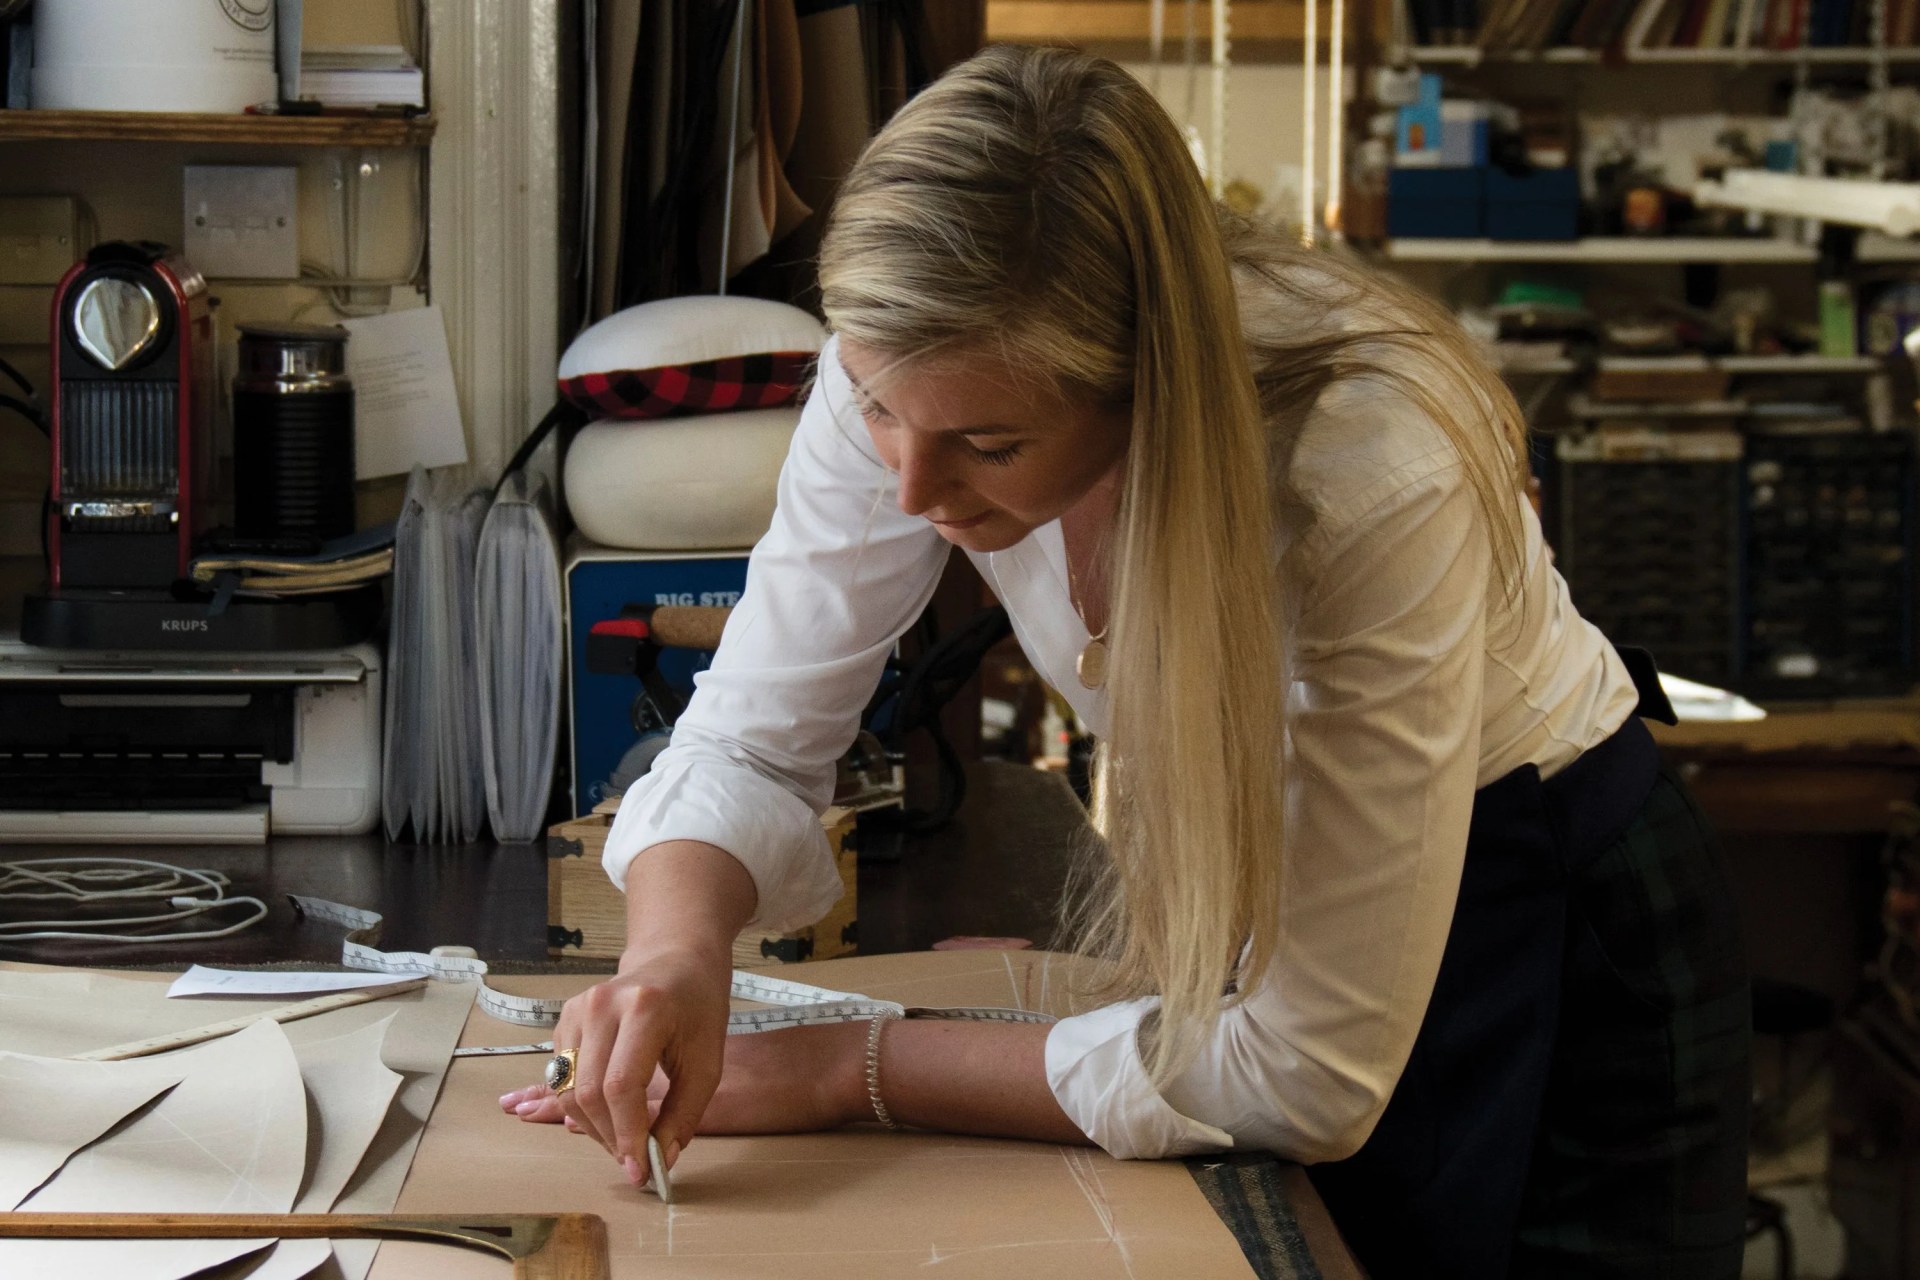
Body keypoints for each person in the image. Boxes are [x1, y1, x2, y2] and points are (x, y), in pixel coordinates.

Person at [498, 44, 1751, 1278]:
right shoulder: (911, 366)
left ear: (1144, 388)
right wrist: (673, 957)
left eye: (991, 445)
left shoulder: (1366, 473)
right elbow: (755, 735)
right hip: (1296, 900)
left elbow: (1307, 1075)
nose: (912, 488)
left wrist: (848, 1065)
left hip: (1543, 899)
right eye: (875, 408)